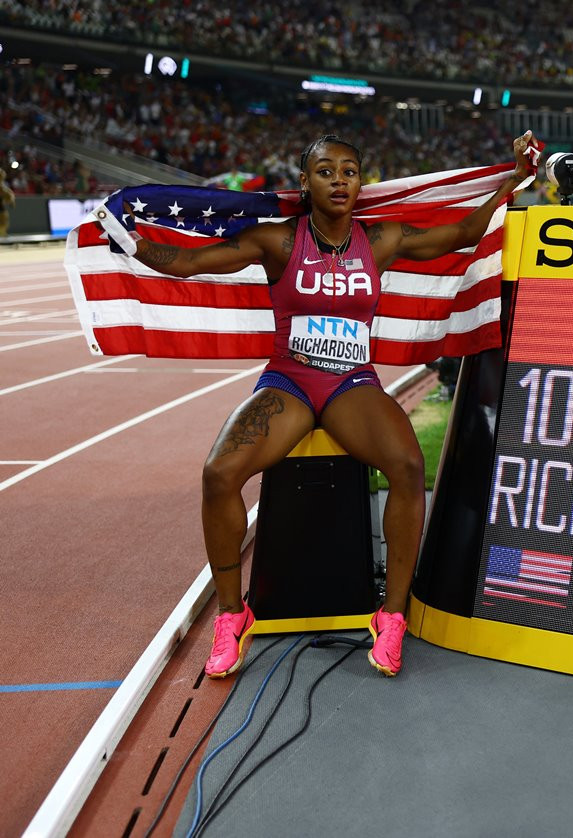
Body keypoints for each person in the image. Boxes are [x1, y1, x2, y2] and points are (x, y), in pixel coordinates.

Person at [127, 130, 538, 678]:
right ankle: (233, 616)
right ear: (305, 182)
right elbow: (186, 264)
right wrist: (130, 241)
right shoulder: (277, 241)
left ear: (360, 181)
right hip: (290, 383)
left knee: (409, 466)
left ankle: (391, 616)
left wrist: (514, 178)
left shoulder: (381, 240)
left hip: (351, 384)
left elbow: (463, 233)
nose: (339, 180)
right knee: (218, 473)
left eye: (349, 170)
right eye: (326, 171)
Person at [0, 169, 15, 237]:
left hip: (1, 207)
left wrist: (11, 200)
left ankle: (2, 233)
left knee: (4, 219)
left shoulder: (3, 187)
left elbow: (10, 194)